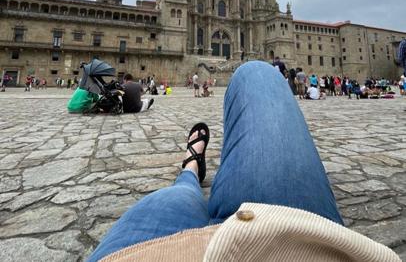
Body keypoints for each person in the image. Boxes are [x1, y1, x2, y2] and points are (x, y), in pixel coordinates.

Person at [88, 62, 399, 262]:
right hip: (287, 241)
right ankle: (190, 170)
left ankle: (190, 170)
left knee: (173, 197)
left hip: (142, 253)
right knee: (258, 72)